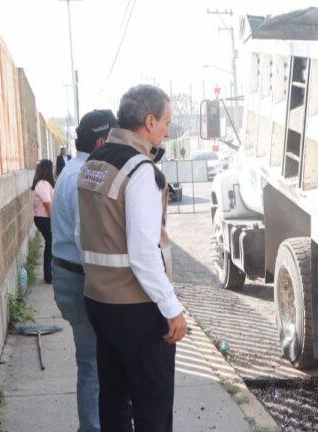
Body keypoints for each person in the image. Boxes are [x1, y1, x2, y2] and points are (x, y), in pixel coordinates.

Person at [77, 84, 186, 431]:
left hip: (99, 301)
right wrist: (171, 308)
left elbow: (83, 233)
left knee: (113, 400)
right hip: (136, 309)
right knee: (152, 407)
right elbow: (143, 253)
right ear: (149, 122)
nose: (167, 130)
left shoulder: (95, 162)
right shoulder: (140, 171)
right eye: (166, 122)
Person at [51, 109, 117, 432]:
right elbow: (85, 239)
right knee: (92, 365)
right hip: (80, 279)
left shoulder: (72, 170)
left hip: (68, 274)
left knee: (89, 361)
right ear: (102, 141)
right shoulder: (85, 176)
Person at [31, 159, 55, 283]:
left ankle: (49, 273)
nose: (54, 170)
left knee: (50, 244)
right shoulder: (43, 183)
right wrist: (54, 220)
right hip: (44, 218)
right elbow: (47, 203)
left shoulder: (44, 183)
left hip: (44, 218)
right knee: (50, 244)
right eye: (52, 168)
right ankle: (48, 275)